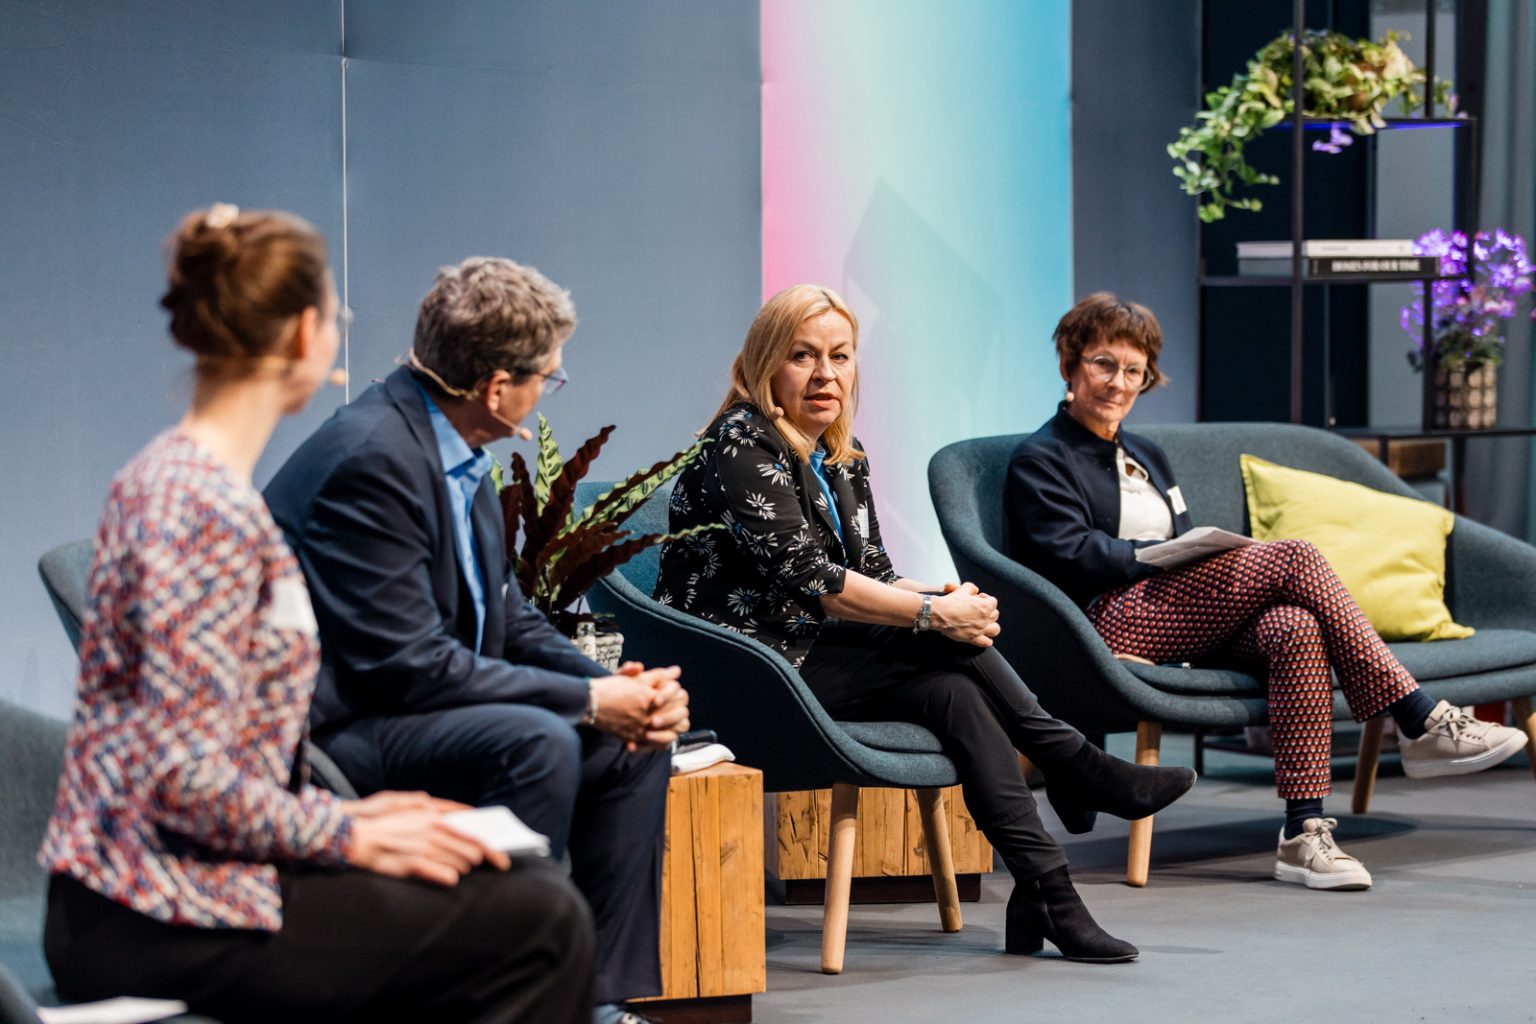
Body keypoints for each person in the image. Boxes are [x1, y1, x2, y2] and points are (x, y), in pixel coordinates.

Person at [39, 206, 594, 1023]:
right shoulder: (192, 506)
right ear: (307, 335)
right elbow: (180, 780)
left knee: (528, 888)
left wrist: (353, 813)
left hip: (198, 878)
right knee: (543, 923)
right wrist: (347, 834)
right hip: (154, 907)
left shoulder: (188, 484)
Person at [655, 284, 1196, 964]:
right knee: (946, 644)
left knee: (956, 691)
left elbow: (875, 573)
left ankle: (1047, 891)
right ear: (767, 363)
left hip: (817, 652)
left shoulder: (841, 456)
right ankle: (1074, 764)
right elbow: (818, 585)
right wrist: (934, 613)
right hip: (749, 666)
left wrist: (946, 598)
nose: (826, 374)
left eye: (840, 356)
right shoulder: (741, 444)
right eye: (803, 356)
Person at [264, 257, 687, 1023]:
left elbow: (507, 613)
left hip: (405, 707)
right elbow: (411, 667)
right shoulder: (374, 459)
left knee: (633, 746)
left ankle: (592, 1001)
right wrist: (590, 700)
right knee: (537, 741)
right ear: (499, 389)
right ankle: (497, 990)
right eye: (548, 379)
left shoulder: (447, 446)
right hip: (333, 735)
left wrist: (621, 694)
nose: (547, 392)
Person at [1005, 291, 1529, 891]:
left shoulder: (1146, 454)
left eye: (1133, 370)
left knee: (1294, 628)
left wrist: (1193, 551)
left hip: (1179, 615)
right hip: (1107, 623)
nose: (1118, 383)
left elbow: (1180, 532)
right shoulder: (1040, 459)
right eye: (1103, 364)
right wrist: (1158, 559)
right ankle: (1417, 716)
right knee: (1298, 557)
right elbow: (1071, 554)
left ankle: (1303, 833)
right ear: (1071, 365)